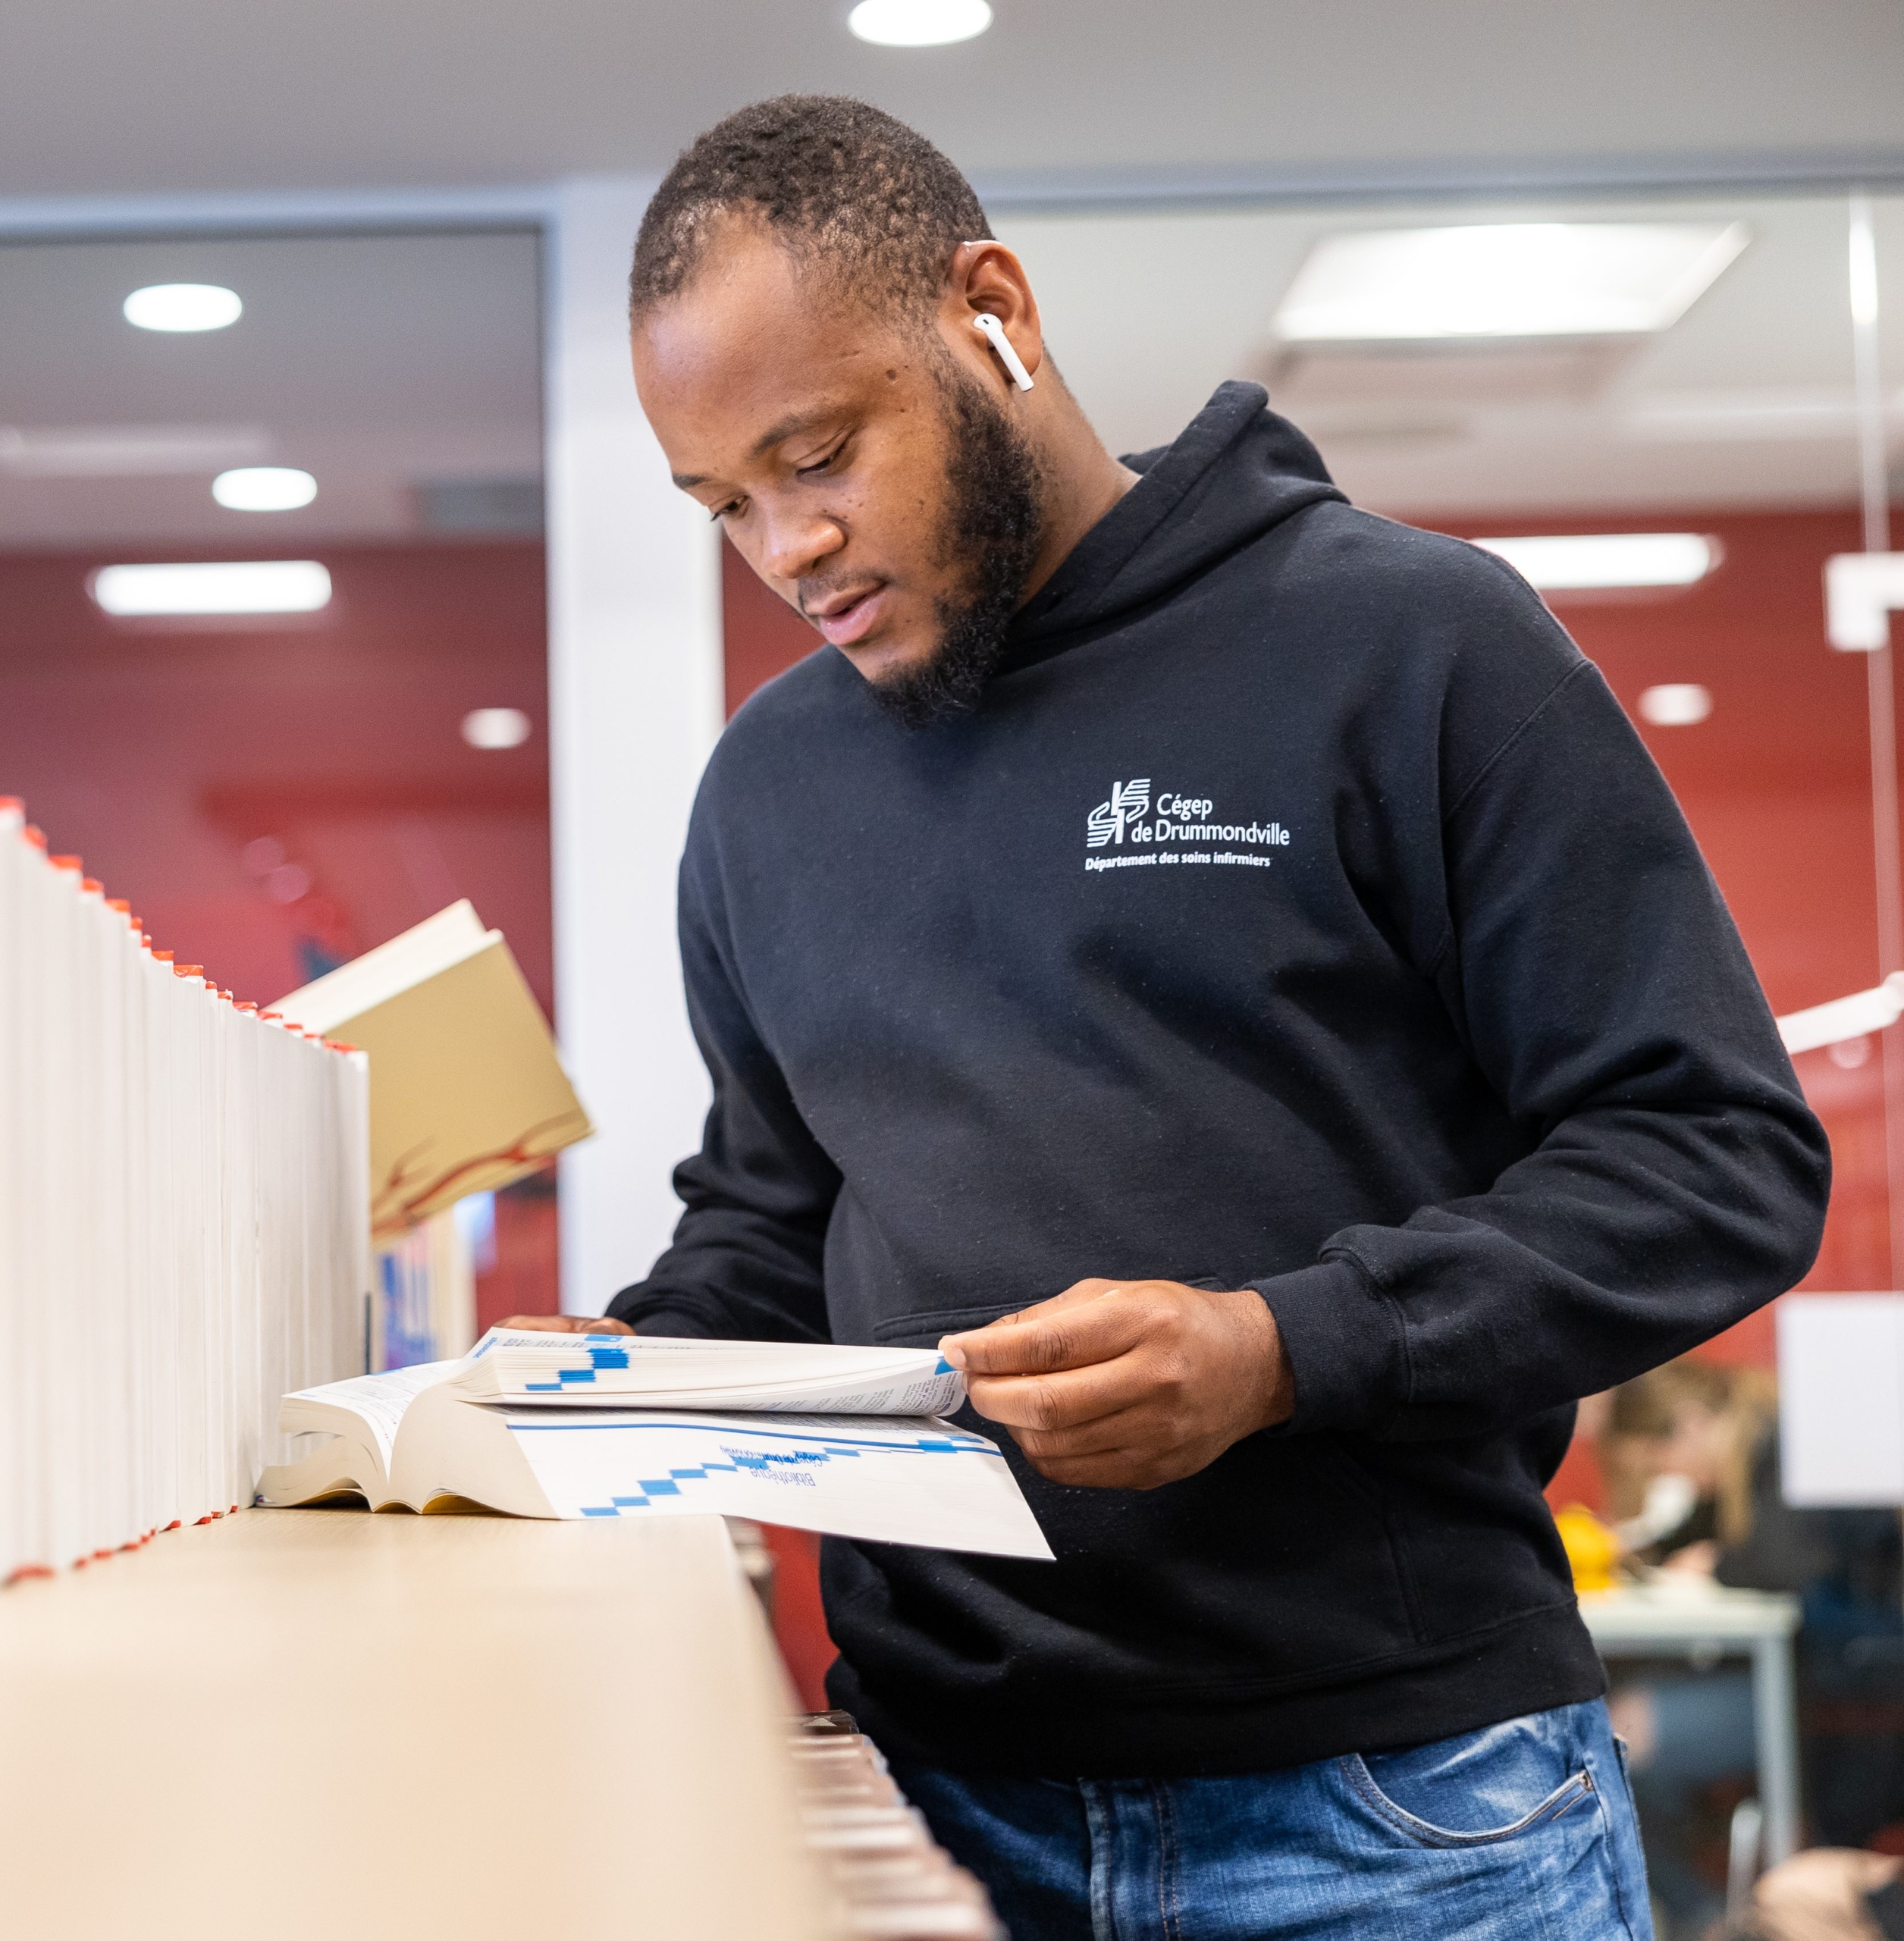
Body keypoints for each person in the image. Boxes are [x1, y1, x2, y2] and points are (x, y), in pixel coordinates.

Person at [497, 96, 1829, 1940]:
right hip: (937, 1795)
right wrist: (606, 1389)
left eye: (817, 455)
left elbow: (1719, 1159)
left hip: (1404, 1815)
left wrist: (1282, 1346)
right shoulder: (769, 789)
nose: (785, 546)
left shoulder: (1419, 648)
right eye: (721, 504)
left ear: (991, 309)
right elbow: (774, 1224)